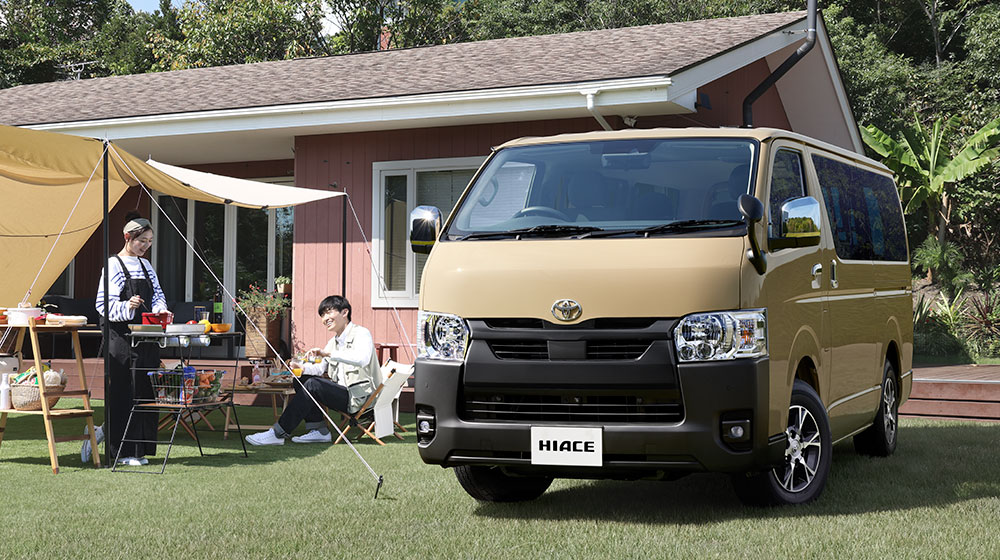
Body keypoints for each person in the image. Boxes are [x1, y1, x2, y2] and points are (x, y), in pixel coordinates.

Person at [86, 211, 171, 466]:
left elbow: (158, 295)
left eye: (149, 241)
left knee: (145, 391)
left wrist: (160, 311)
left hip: (145, 338)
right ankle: (122, 452)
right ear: (127, 237)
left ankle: (136, 448)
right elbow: (103, 304)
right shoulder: (113, 264)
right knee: (125, 391)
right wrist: (128, 306)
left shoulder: (146, 266)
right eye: (142, 241)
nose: (146, 246)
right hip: (121, 339)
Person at [246, 295, 382, 445]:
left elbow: (362, 359)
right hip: (344, 395)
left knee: (312, 384)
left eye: (329, 312)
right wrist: (302, 368)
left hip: (362, 399)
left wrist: (328, 353)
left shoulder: (362, 333)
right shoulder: (333, 342)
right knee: (301, 379)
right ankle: (319, 430)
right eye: (322, 315)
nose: (325, 318)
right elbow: (319, 368)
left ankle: (278, 434)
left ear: (345, 312)